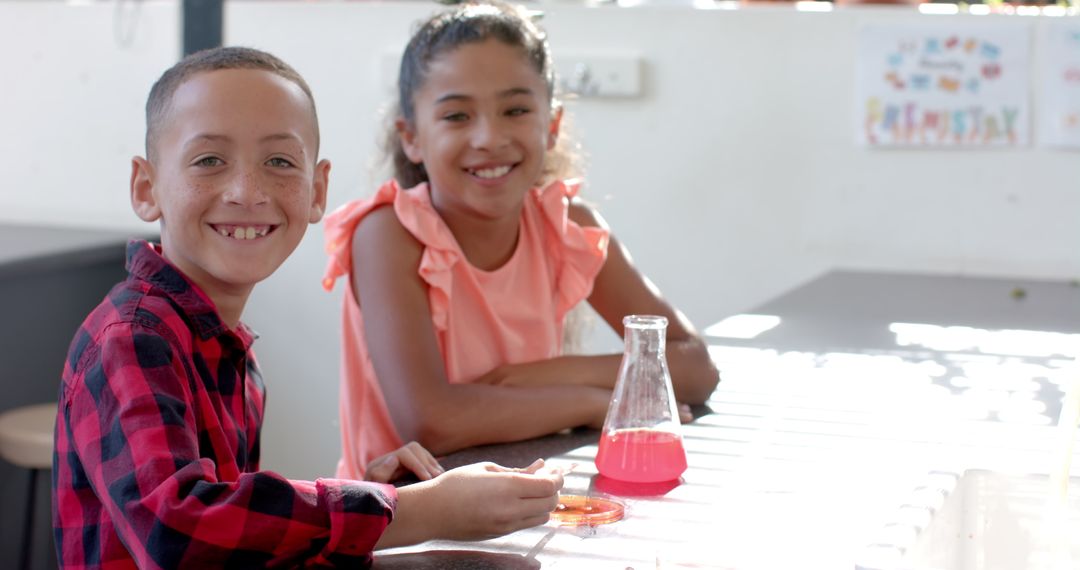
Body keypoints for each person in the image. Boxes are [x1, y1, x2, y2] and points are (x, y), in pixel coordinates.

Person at [52, 46, 563, 569]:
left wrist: (369, 492)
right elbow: (180, 534)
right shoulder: (133, 339)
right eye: (209, 160)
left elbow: (240, 538)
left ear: (317, 191)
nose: (247, 192)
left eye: (279, 162)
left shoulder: (230, 348)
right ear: (146, 187)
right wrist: (408, 511)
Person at [322, 0, 720, 480]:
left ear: (550, 127)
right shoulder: (388, 234)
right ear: (411, 137)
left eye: (514, 109)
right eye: (456, 116)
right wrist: (591, 403)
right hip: (396, 526)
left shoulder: (567, 225)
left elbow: (694, 366)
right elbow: (433, 422)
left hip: (521, 505)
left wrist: (542, 377)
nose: (489, 137)